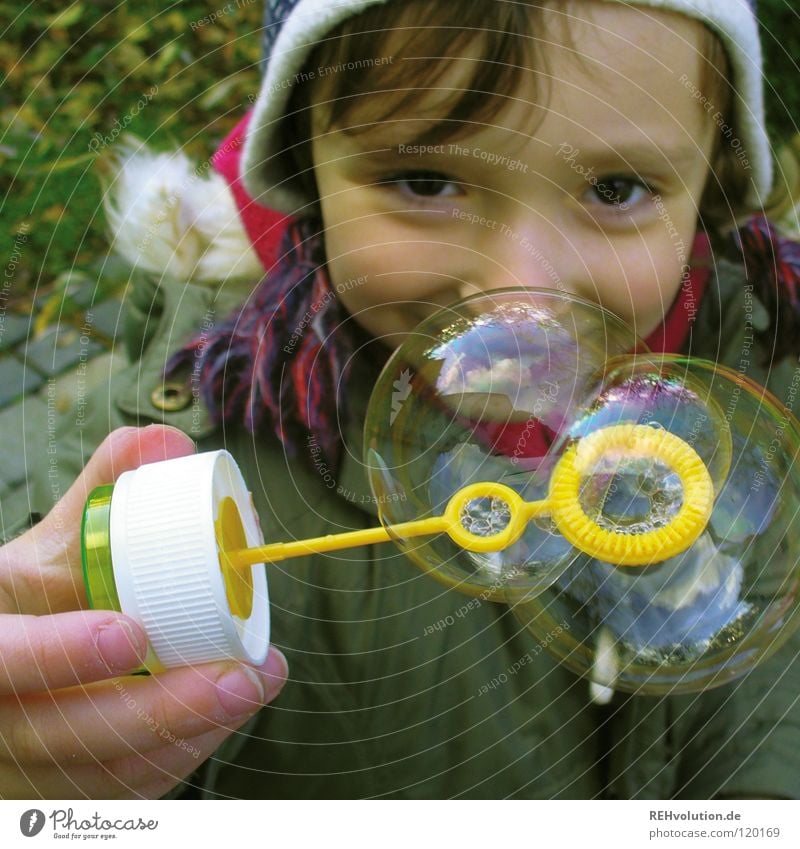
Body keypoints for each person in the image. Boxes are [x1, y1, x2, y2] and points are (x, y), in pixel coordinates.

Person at [7, 0, 800, 799]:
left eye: (616, 187)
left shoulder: (779, 389)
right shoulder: (157, 491)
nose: (514, 288)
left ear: (713, 183)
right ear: (305, 173)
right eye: (425, 180)